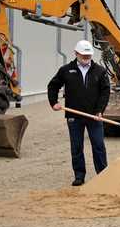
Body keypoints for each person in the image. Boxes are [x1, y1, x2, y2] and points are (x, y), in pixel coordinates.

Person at [47, 40, 110, 186]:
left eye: (88, 55)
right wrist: (53, 102)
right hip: (74, 116)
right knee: (76, 146)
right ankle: (79, 176)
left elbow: (105, 92)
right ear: (76, 53)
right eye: (83, 55)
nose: (86, 57)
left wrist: (100, 110)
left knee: (99, 145)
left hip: (94, 116)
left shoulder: (99, 71)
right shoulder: (66, 70)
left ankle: (103, 175)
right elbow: (53, 86)